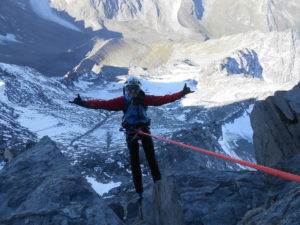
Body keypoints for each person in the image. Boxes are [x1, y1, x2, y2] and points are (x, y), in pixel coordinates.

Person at [70, 76, 193, 199]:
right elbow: (103, 104)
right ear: (126, 89)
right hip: (132, 131)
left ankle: (157, 187)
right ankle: (141, 192)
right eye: (130, 89)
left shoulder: (142, 99)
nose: (133, 92)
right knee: (136, 162)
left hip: (141, 130)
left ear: (139, 89)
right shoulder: (125, 101)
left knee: (150, 159)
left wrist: (181, 93)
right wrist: (84, 103)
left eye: (135, 89)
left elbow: (163, 99)